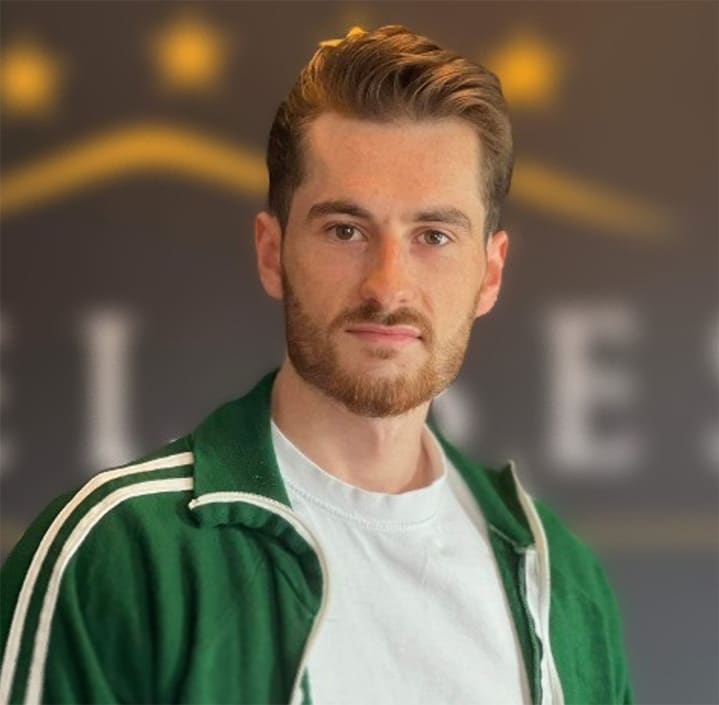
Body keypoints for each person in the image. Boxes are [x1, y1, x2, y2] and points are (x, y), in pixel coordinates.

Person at [0, 25, 632, 705]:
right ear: (272, 253)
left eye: (433, 236)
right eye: (345, 230)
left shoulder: (559, 579)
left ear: (491, 273)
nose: (387, 286)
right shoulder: (118, 553)